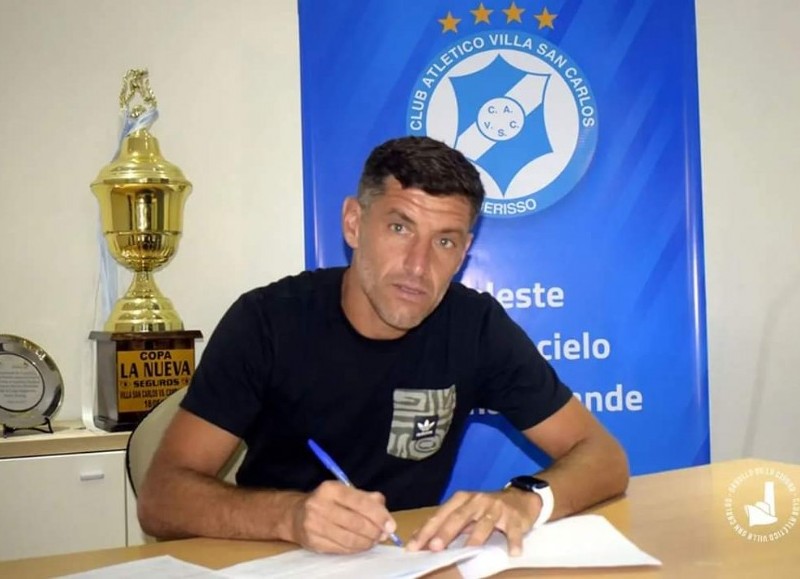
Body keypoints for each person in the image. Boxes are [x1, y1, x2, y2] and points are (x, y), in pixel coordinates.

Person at [138, 136, 629, 557]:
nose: (417, 266)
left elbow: (604, 457)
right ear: (354, 223)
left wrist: (526, 500)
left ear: (464, 252)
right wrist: (290, 516)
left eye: (444, 242)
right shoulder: (267, 321)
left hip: (406, 562)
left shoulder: (475, 327)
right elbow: (161, 498)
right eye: (400, 228)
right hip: (279, 560)